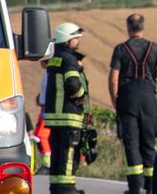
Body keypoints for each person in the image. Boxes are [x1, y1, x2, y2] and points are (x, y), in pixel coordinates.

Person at [108, 13, 157, 194]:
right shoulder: (154, 48)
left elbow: (113, 79)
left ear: (128, 27)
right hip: (148, 98)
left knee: (131, 142)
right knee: (149, 142)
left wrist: (115, 101)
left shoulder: (120, 49)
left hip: (128, 99)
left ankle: (135, 187)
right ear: (143, 27)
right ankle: (151, 187)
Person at [43, 22, 90, 194]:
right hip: (69, 115)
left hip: (54, 117)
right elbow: (72, 85)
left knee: (57, 153)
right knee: (69, 153)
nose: (79, 41)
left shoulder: (54, 58)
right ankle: (67, 188)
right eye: (76, 38)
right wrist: (81, 95)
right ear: (67, 40)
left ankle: (56, 187)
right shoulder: (69, 59)